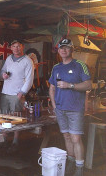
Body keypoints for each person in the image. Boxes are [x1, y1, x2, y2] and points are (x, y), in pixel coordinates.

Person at [49, 39, 91, 176]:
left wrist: (70, 85)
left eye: (66, 48)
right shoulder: (56, 67)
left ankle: (79, 169)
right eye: (61, 48)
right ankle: (71, 164)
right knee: (66, 137)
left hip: (75, 109)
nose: (63, 50)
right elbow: (52, 88)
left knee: (76, 139)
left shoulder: (80, 65)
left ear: (71, 50)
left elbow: (88, 85)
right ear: (59, 50)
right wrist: (55, 107)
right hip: (60, 109)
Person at [0, 40, 34, 153]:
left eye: (18, 46)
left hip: (17, 93)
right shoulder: (9, 58)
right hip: (6, 92)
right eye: (14, 46)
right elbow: (3, 70)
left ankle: (15, 141)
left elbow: (29, 79)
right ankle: (4, 139)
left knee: (16, 117)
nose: (16, 48)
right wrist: (3, 75)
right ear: (11, 48)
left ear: (22, 47)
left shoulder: (27, 61)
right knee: (4, 116)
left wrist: (22, 93)